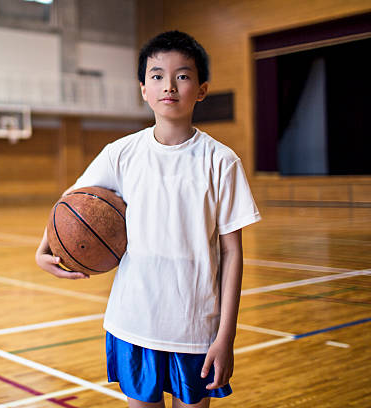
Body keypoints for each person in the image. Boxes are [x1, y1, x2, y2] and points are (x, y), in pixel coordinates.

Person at [35, 30, 261, 408]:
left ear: (202, 89)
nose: (168, 86)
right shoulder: (120, 154)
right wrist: (43, 249)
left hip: (196, 330)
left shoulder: (221, 162)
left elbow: (232, 254)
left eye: (182, 76)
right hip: (133, 324)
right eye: (156, 76)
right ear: (143, 88)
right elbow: (70, 206)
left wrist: (226, 337)